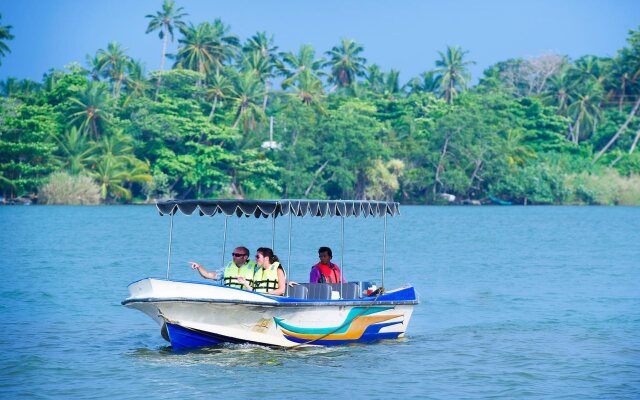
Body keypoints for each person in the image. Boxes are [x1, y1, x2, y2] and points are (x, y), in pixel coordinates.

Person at [190, 246, 256, 290]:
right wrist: (199, 267)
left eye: (237, 255)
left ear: (245, 257)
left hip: (247, 296)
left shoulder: (255, 269)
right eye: (233, 254)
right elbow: (208, 275)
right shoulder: (228, 268)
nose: (234, 256)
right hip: (229, 296)